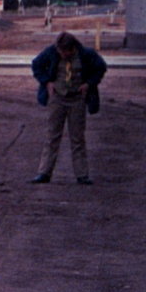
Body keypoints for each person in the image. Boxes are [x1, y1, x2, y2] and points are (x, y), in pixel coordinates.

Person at [30, 31, 107, 185]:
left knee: (77, 137)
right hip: (57, 99)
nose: (61, 54)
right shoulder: (52, 52)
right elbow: (36, 65)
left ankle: (82, 174)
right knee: (52, 136)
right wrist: (46, 82)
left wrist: (89, 84)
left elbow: (101, 68)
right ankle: (44, 172)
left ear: (72, 48)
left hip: (77, 100)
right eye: (60, 51)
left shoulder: (85, 54)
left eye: (64, 51)